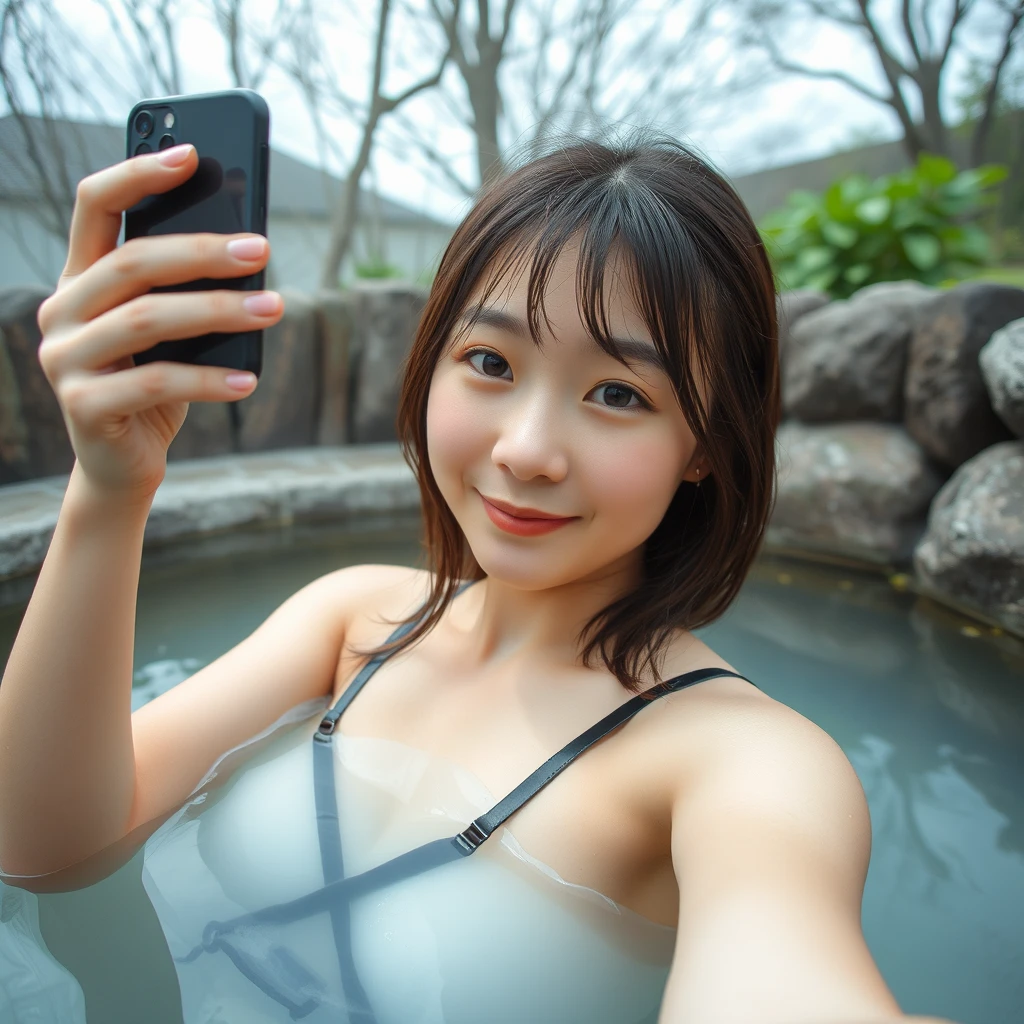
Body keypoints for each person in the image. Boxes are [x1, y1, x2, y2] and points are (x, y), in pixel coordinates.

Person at [0, 131, 959, 1024]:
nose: (528, 450)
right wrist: (109, 492)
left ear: (706, 441)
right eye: (490, 360)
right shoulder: (352, 621)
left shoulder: (737, 761)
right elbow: (43, 850)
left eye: (618, 393)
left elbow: (785, 978)